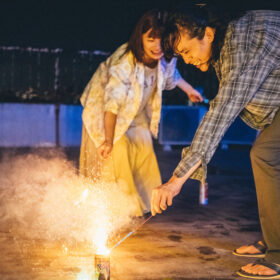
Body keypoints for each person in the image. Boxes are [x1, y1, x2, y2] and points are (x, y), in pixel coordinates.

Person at [151, 5, 280, 279]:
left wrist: (177, 179)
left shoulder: (243, 44)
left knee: (264, 155)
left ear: (208, 34)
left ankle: (278, 255)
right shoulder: (226, 49)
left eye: (186, 51)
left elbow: (222, 111)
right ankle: (274, 240)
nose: (186, 60)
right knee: (268, 157)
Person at [80, 10, 203, 217]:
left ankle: (146, 206)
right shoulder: (124, 62)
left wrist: (190, 90)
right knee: (118, 151)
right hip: (107, 113)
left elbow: (172, 77)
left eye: (162, 40)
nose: (157, 46)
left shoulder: (166, 57)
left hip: (134, 113)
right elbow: (112, 105)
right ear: (141, 38)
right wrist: (108, 140)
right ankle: (119, 212)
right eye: (151, 39)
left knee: (144, 146)